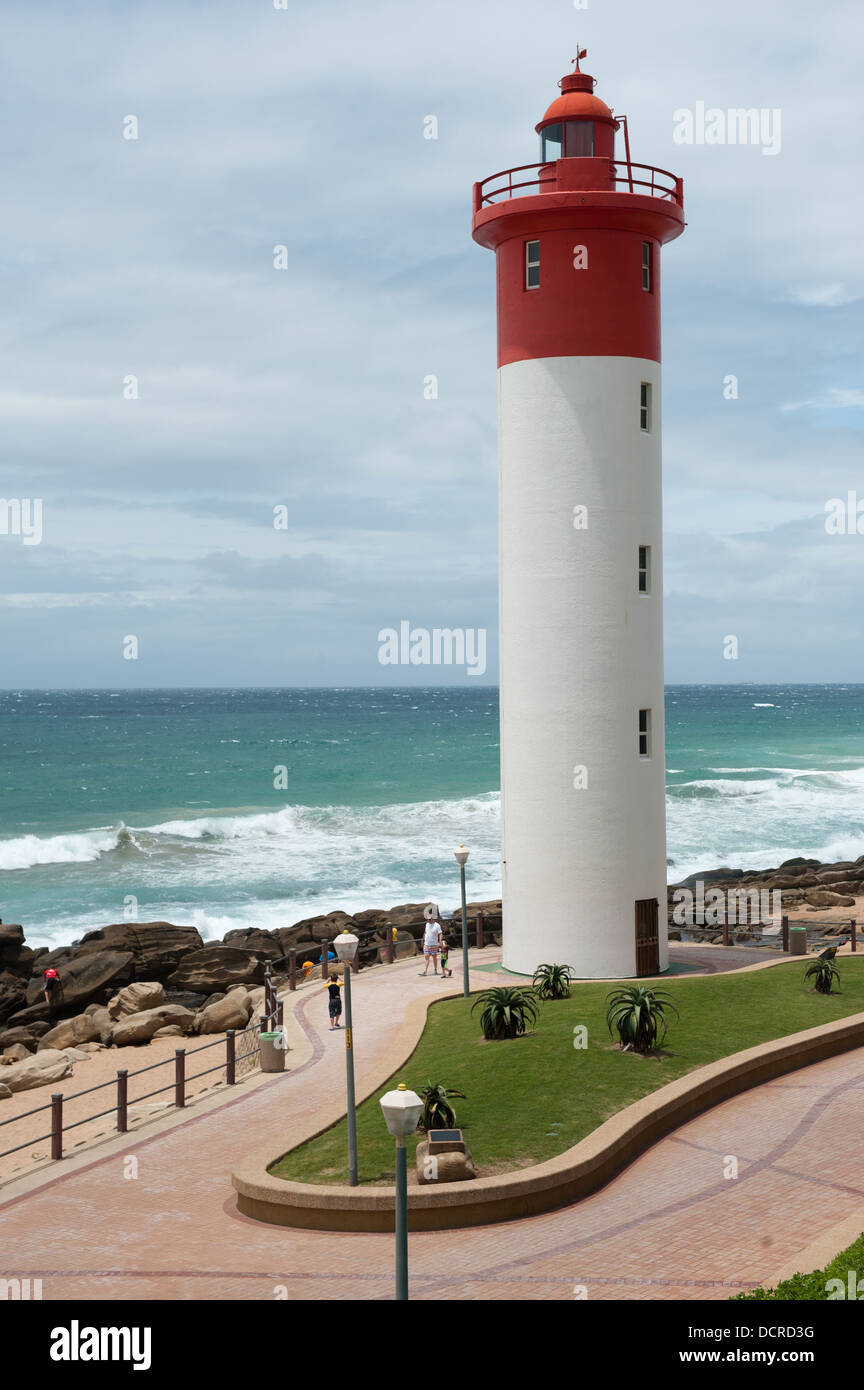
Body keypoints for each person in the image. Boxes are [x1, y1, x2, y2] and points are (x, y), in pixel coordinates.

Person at [419, 912, 444, 976]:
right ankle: (425, 971)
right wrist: (422, 940)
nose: (428, 920)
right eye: (428, 919)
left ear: (433, 918)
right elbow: (425, 932)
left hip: (434, 945)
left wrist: (440, 942)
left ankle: (435, 970)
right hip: (426, 944)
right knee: (426, 958)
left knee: (434, 958)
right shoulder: (427, 924)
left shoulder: (437, 925)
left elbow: (440, 934)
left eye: (430, 919)